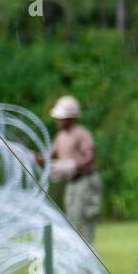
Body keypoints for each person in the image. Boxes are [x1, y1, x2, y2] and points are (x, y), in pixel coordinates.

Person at [43, 95, 102, 244]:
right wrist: (26, 155)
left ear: (71, 118)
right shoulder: (60, 137)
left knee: (83, 223)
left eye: (61, 118)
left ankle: (87, 261)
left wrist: (73, 165)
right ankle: (79, 259)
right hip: (72, 183)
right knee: (73, 223)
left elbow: (90, 157)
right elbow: (46, 158)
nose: (58, 120)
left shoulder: (81, 134)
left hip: (85, 182)